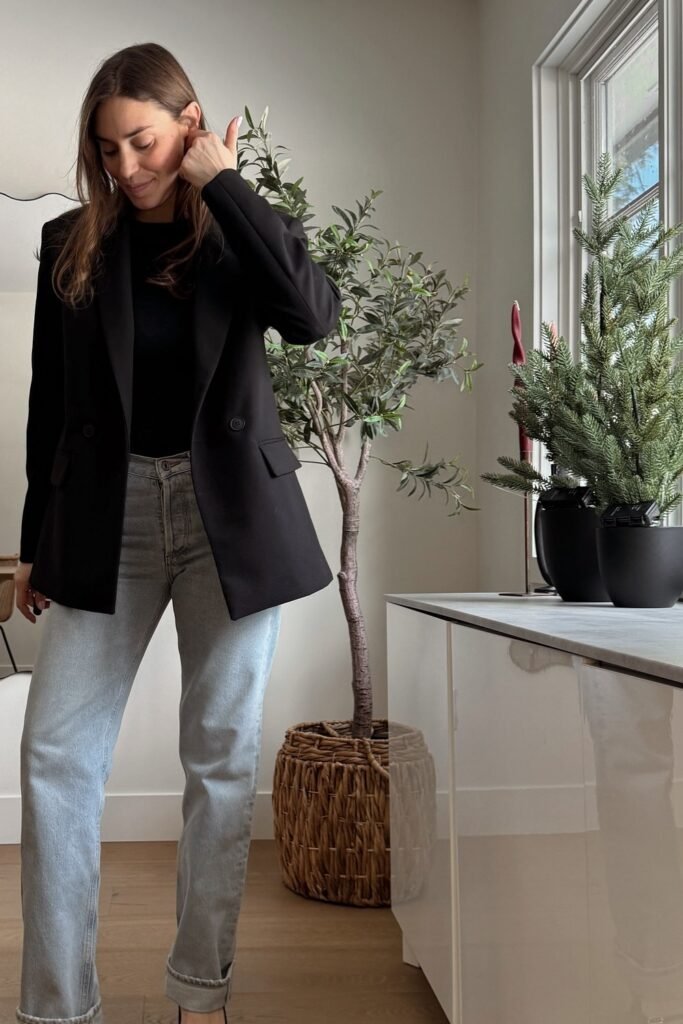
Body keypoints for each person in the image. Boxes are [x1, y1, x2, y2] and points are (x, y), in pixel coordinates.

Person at [13, 41, 341, 1024]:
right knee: (56, 758)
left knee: (220, 756)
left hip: (225, 516)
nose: (124, 167)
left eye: (142, 142)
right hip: (105, 515)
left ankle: (201, 992)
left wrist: (225, 184)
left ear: (187, 125)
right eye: (107, 149)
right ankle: (58, 1007)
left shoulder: (232, 230)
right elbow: (50, 404)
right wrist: (35, 537)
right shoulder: (72, 240)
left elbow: (312, 314)